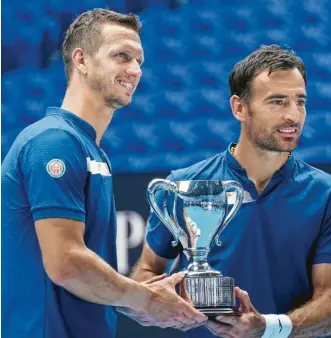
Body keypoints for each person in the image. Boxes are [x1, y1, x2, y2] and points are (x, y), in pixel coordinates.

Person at [1, 8, 207, 338]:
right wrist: (146, 298)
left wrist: (136, 303)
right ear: (81, 60)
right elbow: (66, 263)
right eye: (122, 56)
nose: (136, 70)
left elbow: (80, 278)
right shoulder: (53, 142)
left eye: (139, 60)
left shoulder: (89, 150)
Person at [131, 45, 331, 338]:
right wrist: (158, 304)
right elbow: (146, 272)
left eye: (300, 101)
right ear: (239, 108)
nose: (293, 115)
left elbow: (330, 306)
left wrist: (266, 328)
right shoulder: (185, 185)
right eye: (277, 101)